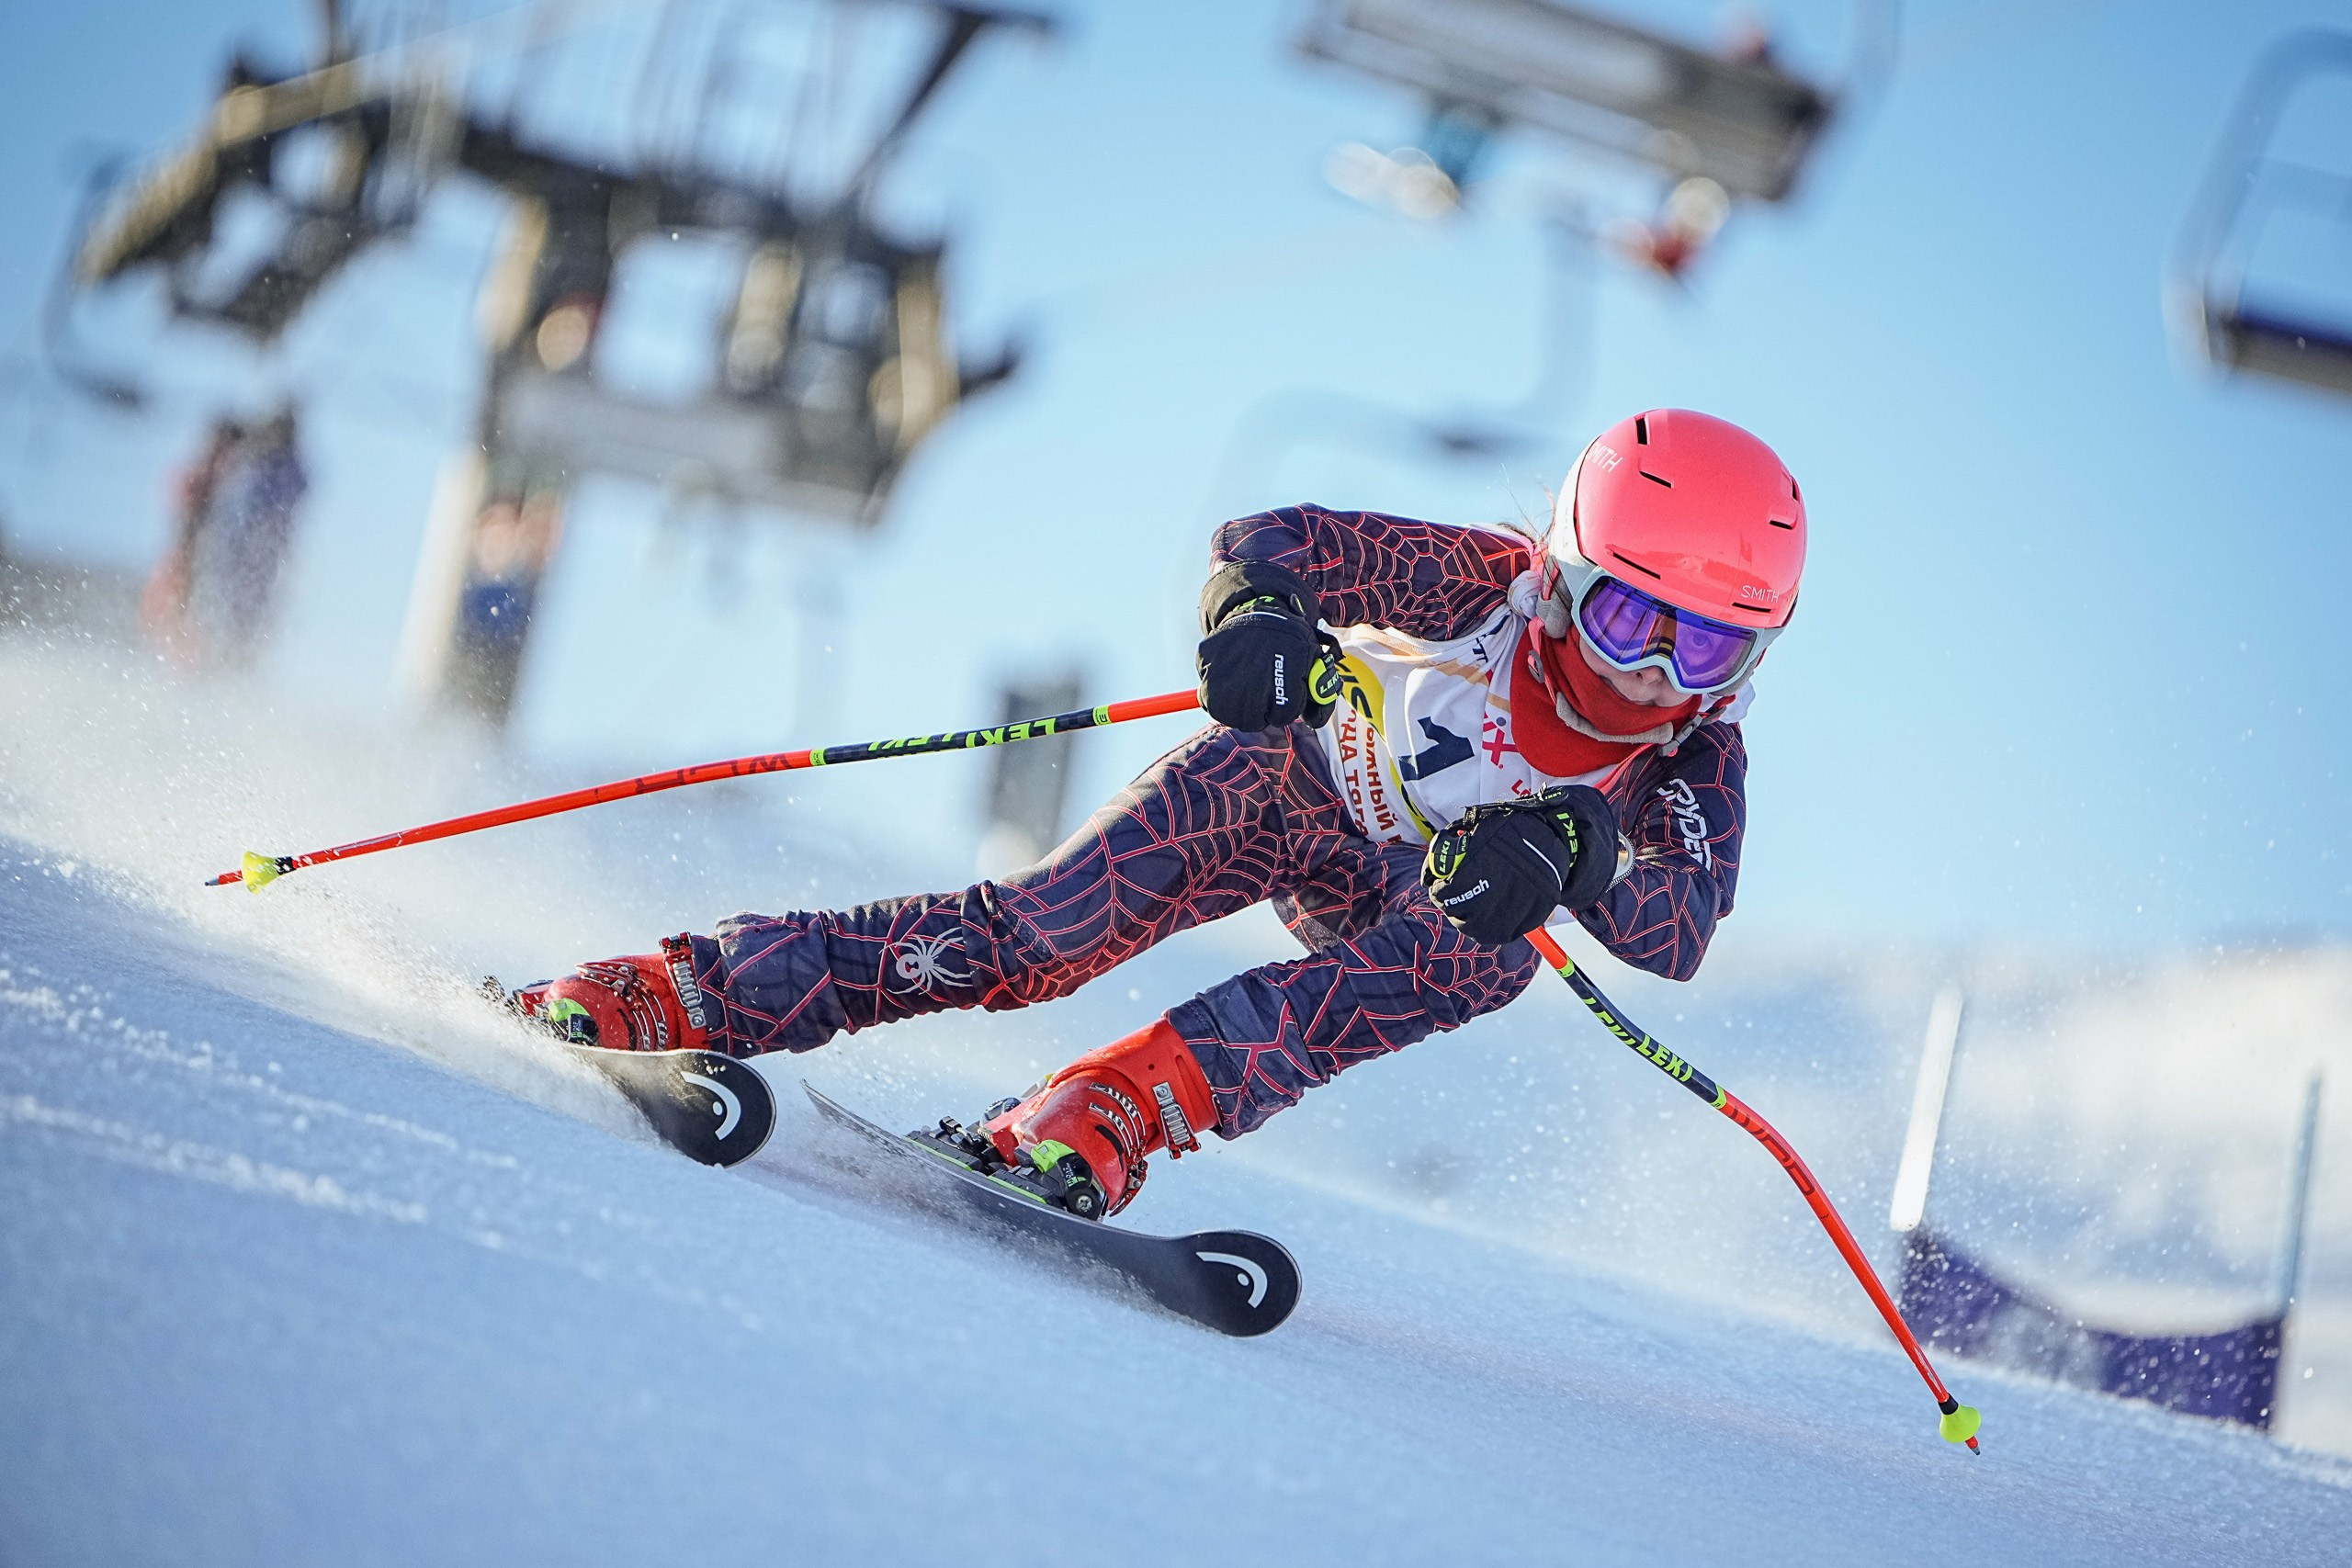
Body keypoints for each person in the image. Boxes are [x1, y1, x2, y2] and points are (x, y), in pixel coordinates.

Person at [516, 409, 1807, 1220]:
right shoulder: (1485, 586)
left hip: (1411, 898)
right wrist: (1255, 618)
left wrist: (1576, 848)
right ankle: (691, 990)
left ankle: (1119, 1106)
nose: (1655, 673)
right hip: (1284, 784)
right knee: (1034, 940)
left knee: (1483, 962)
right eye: (1636, 616)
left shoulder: (1692, 763)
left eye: (1709, 649)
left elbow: (1679, 922)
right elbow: (1283, 541)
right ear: (1569, 575)